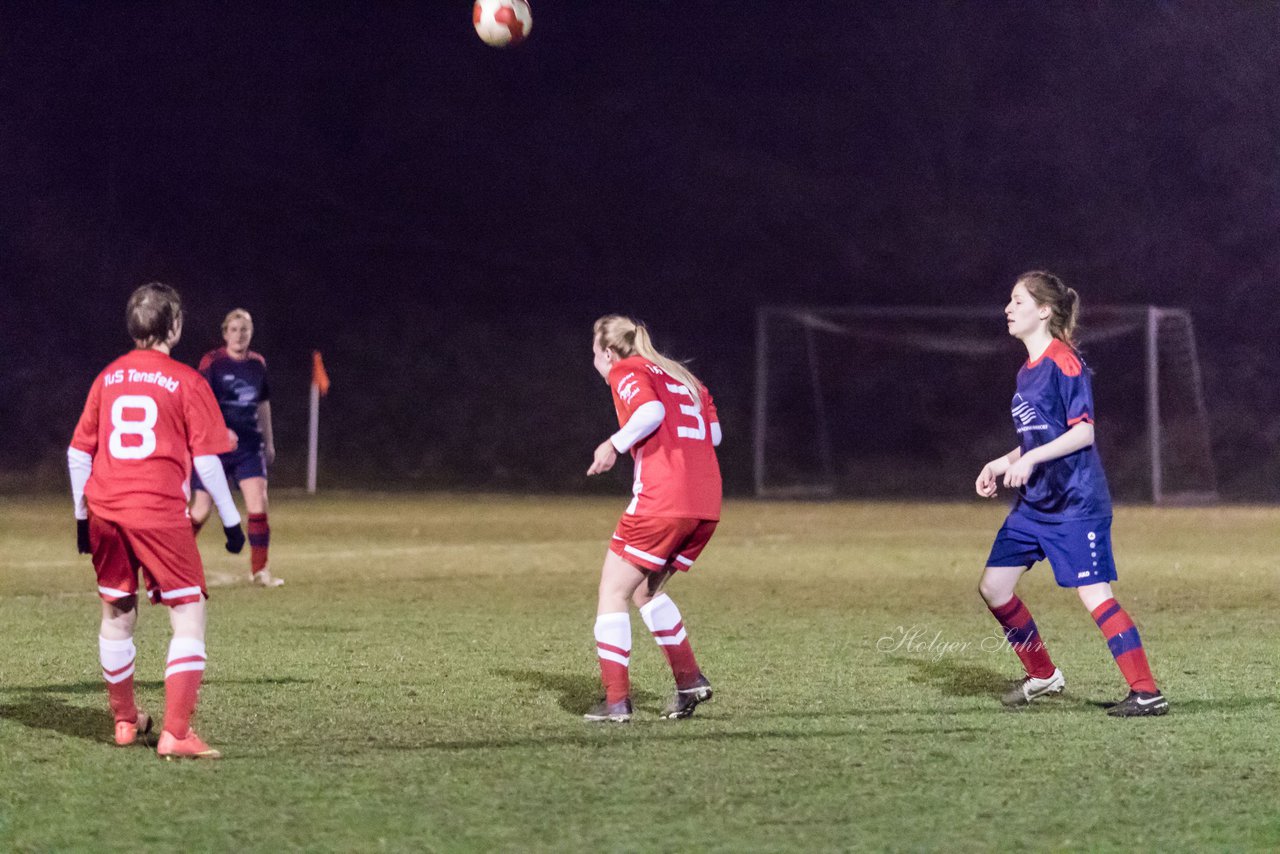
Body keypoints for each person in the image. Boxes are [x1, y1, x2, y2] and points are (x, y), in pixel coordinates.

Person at [975, 271, 1169, 717]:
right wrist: (1004, 462)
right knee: (994, 587)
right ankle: (1043, 675)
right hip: (1035, 505)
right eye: (1010, 300)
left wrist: (1029, 461)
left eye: (1018, 301)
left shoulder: (1065, 362)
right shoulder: (1026, 372)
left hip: (1075, 505)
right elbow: (1037, 439)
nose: (1009, 308)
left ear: (1044, 310)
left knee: (1094, 595)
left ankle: (1146, 691)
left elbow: (1082, 434)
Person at [68, 282, 246, 759]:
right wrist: (232, 522)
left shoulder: (107, 377)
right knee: (188, 613)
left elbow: (78, 453)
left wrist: (82, 519)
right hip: (158, 513)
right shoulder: (188, 381)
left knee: (117, 611)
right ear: (175, 326)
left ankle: (125, 721)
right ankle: (176, 732)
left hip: (105, 508)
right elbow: (208, 464)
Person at [583, 315, 723, 723]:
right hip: (705, 504)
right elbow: (713, 437)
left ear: (608, 352)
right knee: (645, 592)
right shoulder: (685, 378)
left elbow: (650, 411)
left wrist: (613, 444)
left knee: (612, 591)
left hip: (663, 501)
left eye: (594, 353)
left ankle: (616, 702)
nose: (595, 360)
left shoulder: (626, 369)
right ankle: (689, 681)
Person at [189, 308, 282, 587]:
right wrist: (219, 430)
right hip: (214, 447)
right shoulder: (212, 363)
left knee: (258, 504)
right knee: (201, 510)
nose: (240, 335)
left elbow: (263, 404)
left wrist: (269, 440)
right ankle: (171, 562)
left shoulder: (257, 364)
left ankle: (260, 570)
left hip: (248, 445)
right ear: (225, 333)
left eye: (245, 330)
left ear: (251, 333)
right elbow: (200, 402)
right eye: (234, 329)